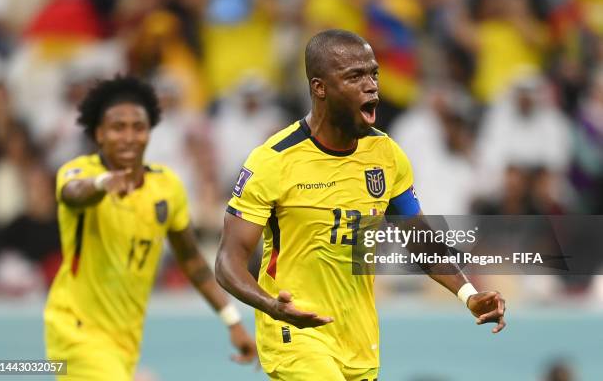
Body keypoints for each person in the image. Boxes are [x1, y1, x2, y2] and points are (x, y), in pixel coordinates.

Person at [215, 29, 506, 381]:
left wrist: (469, 294)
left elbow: (421, 241)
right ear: (320, 87)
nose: (371, 86)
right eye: (354, 76)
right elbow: (228, 261)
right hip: (295, 336)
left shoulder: (386, 155)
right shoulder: (273, 161)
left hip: (359, 339)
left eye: (373, 74)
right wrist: (271, 306)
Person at [44, 76, 257, 380]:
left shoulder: (166, 186)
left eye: (138, 127)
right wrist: (103, 183)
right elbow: (74, 193)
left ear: (149, 132)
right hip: (77, 331)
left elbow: (193, 262)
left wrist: (232, 320)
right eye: (118, 128)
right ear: (99, 134)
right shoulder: (80, 172)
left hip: (126, 339)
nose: (129, 137)